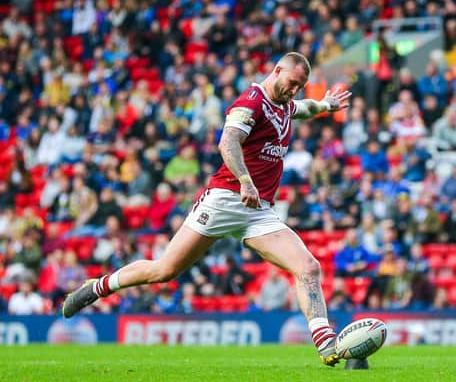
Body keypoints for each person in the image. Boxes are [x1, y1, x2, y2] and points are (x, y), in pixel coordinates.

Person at [62, 52, 351, 366]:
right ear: (277, 70)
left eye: (300, 87)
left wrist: (325, 105)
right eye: (293, 83)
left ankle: (327, 347)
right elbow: (227, 143)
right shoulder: (250, 102)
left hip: (258, 210)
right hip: (227, 198)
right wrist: (245, 180)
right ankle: (98, 286)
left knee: (308, 267)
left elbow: (303, 108)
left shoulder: (283, 104)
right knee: (165, 270)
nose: (294, 90)